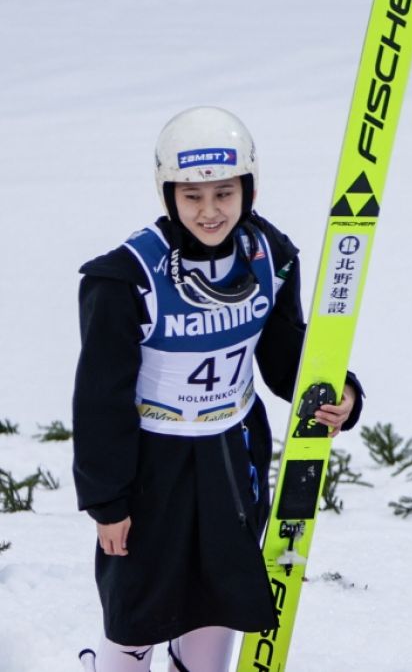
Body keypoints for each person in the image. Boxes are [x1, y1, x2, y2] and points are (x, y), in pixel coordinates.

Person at [72, 106, 364, 672]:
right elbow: (99, 399)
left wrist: (341, 392)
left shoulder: (268, 257)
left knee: (221, 592)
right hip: (151, 464)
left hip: (231, 456)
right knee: (139, 608)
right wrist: (108, 501)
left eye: (224, 194)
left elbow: (284, 355)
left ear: (247, 190)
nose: (210, 212)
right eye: (193, 197)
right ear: (169, 195)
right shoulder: (126, 278)